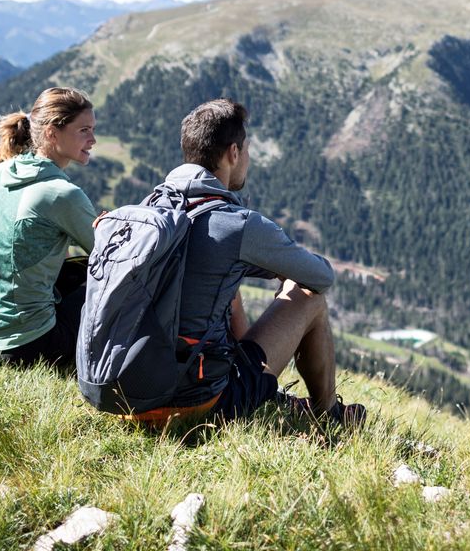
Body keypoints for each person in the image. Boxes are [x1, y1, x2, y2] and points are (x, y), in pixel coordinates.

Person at [150, 98, 365, 427]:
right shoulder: (237, 224)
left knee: (224, 285)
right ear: (233, 153)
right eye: (246, 150)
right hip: (195, 405)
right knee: (309, 297)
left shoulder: (151, 210)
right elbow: (321, 277)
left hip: (121, 393)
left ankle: (265, 388)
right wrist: (284, 268)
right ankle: (329, 416)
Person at [0, 86, 98, 370]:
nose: (92, 139)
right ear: (53, 133)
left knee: (74, 271)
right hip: (22, 348)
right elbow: (116, 259)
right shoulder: (61, 194)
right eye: (84, 130)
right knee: (118, 285)